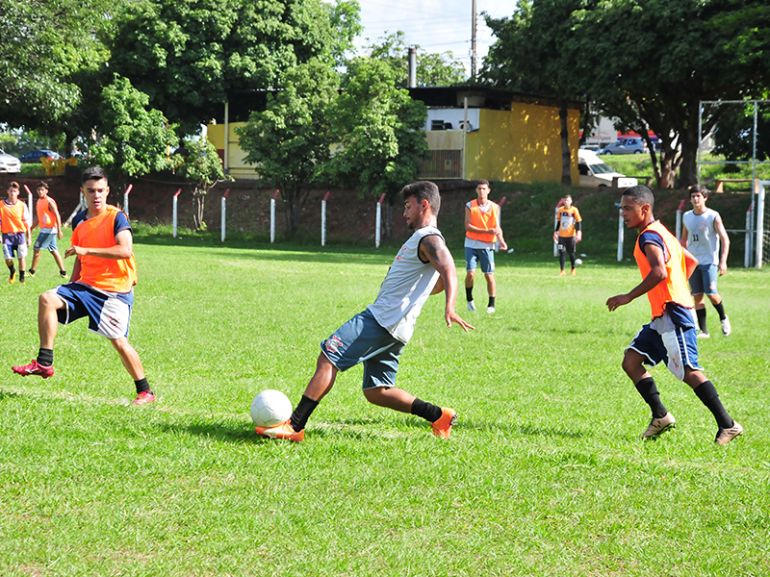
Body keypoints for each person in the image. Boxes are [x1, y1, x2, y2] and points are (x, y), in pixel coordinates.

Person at [255, 181, 474, 442]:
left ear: (424, 204)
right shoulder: (425, 240)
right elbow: (434, 282)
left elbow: (448, 269)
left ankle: (295, 426)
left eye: (408, 206)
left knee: (328, 357)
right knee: (377, 391)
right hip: (397, 327)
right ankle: (439, 415)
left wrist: (451, 306)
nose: (404, 212)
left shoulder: (428, 238)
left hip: (381, 320)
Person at [606, 185, 742, 445]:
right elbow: (689, 261)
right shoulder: (663, 232)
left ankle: (728, 424)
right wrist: (678, 285)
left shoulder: (649, 237)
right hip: (663, 313)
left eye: (627, 208)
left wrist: (627, 297)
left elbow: (659, 272)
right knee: (631, 361)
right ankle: (661, 415)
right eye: (621, 208)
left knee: (689, 371)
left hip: (674, 312)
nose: (622, 213)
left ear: (644, 209)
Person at [12, 166, 156, 405]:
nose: (96, 195)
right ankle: (44, 362)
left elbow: (125, 250)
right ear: (83, 192)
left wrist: (86, 250)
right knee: (47, 298)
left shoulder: (116, 217)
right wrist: (69, 287)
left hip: (114, 291)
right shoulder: (80, 220)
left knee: (119, 342)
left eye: (100, 190)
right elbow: (80, 256)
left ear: (107, 191)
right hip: (85, 286)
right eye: (91, 191)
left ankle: (146, 392)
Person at [680, 185, 731, 338]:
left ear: (705, 198)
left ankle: (723, 318)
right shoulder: (687, 216)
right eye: (693, 196)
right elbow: (683, 239)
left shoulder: (713, 216)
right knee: (697, 296)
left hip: (710, 261)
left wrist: (723, 261)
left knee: (711, 294)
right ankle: (704, 331)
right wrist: (681, 258)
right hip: (693, 262)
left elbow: (725, 239)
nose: (696, 199)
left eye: (698, 196)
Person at [463, 179, 507, 313]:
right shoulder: (470, 205)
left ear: (488, 191)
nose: (481, 191)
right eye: (479, 189)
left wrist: (501, 240)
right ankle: (469, 300)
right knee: (470, 273)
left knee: (489, 275)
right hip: (471, 243)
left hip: (488, 245)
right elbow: (468, 226)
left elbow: (496, 227)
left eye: (484, 189)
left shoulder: (495, 207)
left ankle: (491, 304)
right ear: (476, 190)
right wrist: (486, 231)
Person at [28, 181, 68, 279]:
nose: (40, 192)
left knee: (36, 248)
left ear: (46, 191)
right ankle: (63, 272)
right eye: (38, 190)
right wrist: (31, 227)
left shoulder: (49, 201)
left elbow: (57, 215)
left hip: (49, 230)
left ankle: (32, 271)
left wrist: (59, 230)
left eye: (42, 190)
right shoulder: (39, 201)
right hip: (45, 229)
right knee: (53, 250)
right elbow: (38, 217)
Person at [0, 181, 32, 284]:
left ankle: (22, 278)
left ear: (18, 192)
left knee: (21, 257)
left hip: (20, 235)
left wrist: (29, 237)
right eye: (11, 191)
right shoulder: (1, 205)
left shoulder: (22, 205)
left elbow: (27, 222)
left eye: (15, 191)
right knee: (8, 258)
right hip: (6, 235)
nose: (12, 193)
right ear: (7, 192)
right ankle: (12, 271)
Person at [553, 194, 582, 276]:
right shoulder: (560, 210)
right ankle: (562, 270)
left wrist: (579, 232)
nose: (566, 202)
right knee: (561, 252)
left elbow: (579, 221)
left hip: (571, 236)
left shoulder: (574, 210)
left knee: (571, 253)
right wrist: (555, 232)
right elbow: (559, 222)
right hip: (561, 236)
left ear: (571, 201)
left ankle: (573, 269)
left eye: (568, 200)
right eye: (565, 200)